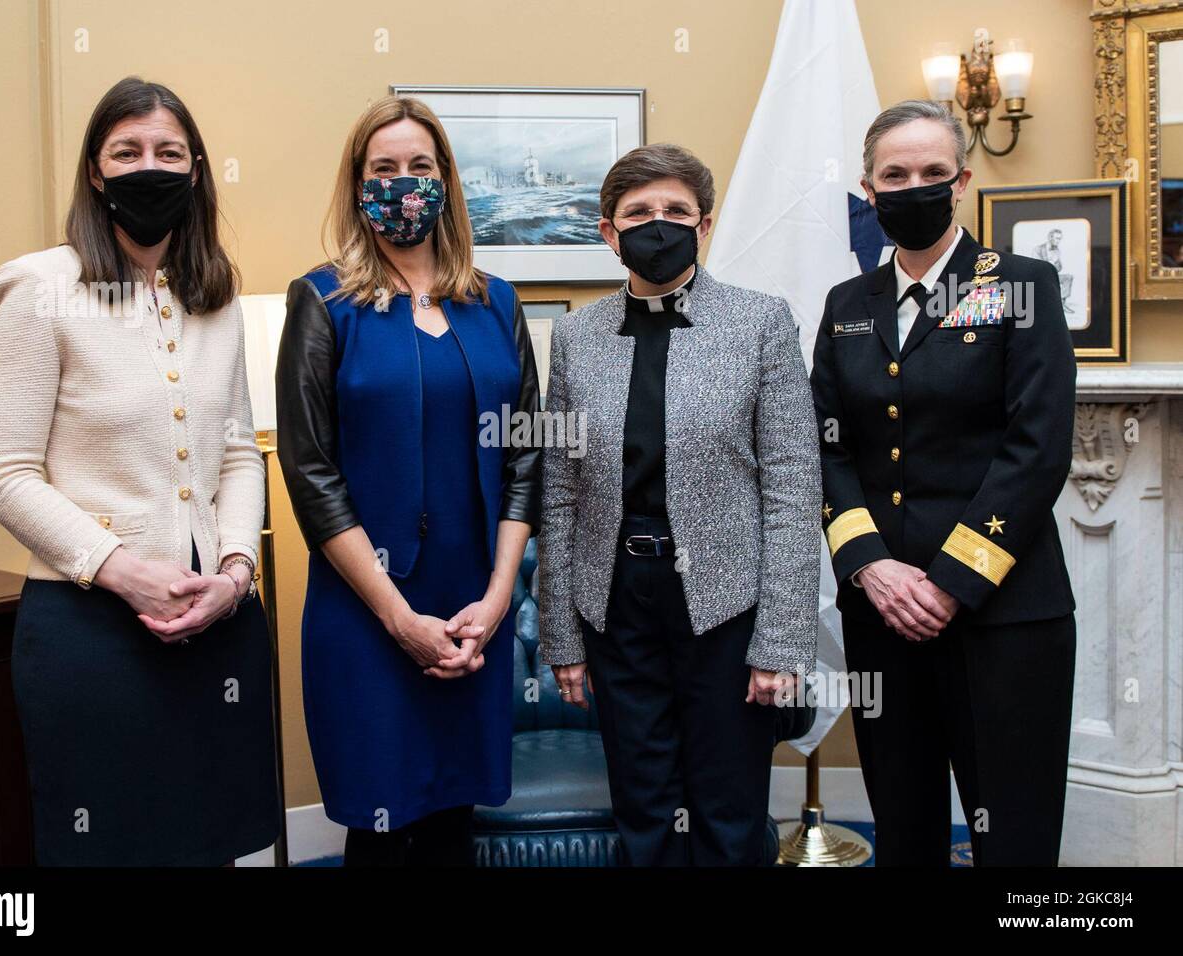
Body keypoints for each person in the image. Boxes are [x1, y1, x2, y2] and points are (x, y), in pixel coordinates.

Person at [0, 76, 280, 866]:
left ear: (196, 169)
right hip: (91, 634)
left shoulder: (213, 293)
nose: (150, 166)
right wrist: (123, 570)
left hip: (217, 626)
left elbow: (238, 451)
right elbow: (6, 472)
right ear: (96, 171)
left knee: (212, 846)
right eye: (128, 151)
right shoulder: (41, 289)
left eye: (169, 153)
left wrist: (236, 572)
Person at [275, 95, 541, 867]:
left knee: (454, 818)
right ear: (357, 185)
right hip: (367, 609)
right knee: (383, 823)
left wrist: (498, 600)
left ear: (447, 179)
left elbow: (527, 455)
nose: (403, 182)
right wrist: (399, 620)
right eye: (383, 168)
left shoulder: (495, 301)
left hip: (473, 608)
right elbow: (310, 473)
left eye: (419, 166)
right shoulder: (323, 300)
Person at [538, 143, 821, 866]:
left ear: (705, 224)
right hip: (616, 603)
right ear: (609, 232)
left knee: (728, 811)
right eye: (638, 213)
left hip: (727, 602)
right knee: (644, 806)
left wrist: (782, 641)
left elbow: (793, 488)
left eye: (675, 210)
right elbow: (561, 492)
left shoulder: (760, 322)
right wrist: (562, 637)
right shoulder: (574, 335)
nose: (657, 225)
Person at [811, 100, 1077, 866]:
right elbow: (825, 446)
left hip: (1005, 615)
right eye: (895, 175)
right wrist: (871, 566)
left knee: (1015, 839)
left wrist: (951, 583)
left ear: (961, 182)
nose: (913, 187)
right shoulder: (847, 305)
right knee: (904, 831)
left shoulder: (1021, 284)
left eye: (932, 172)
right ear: (869, 189)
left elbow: (1037, 449)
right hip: (883, 615)